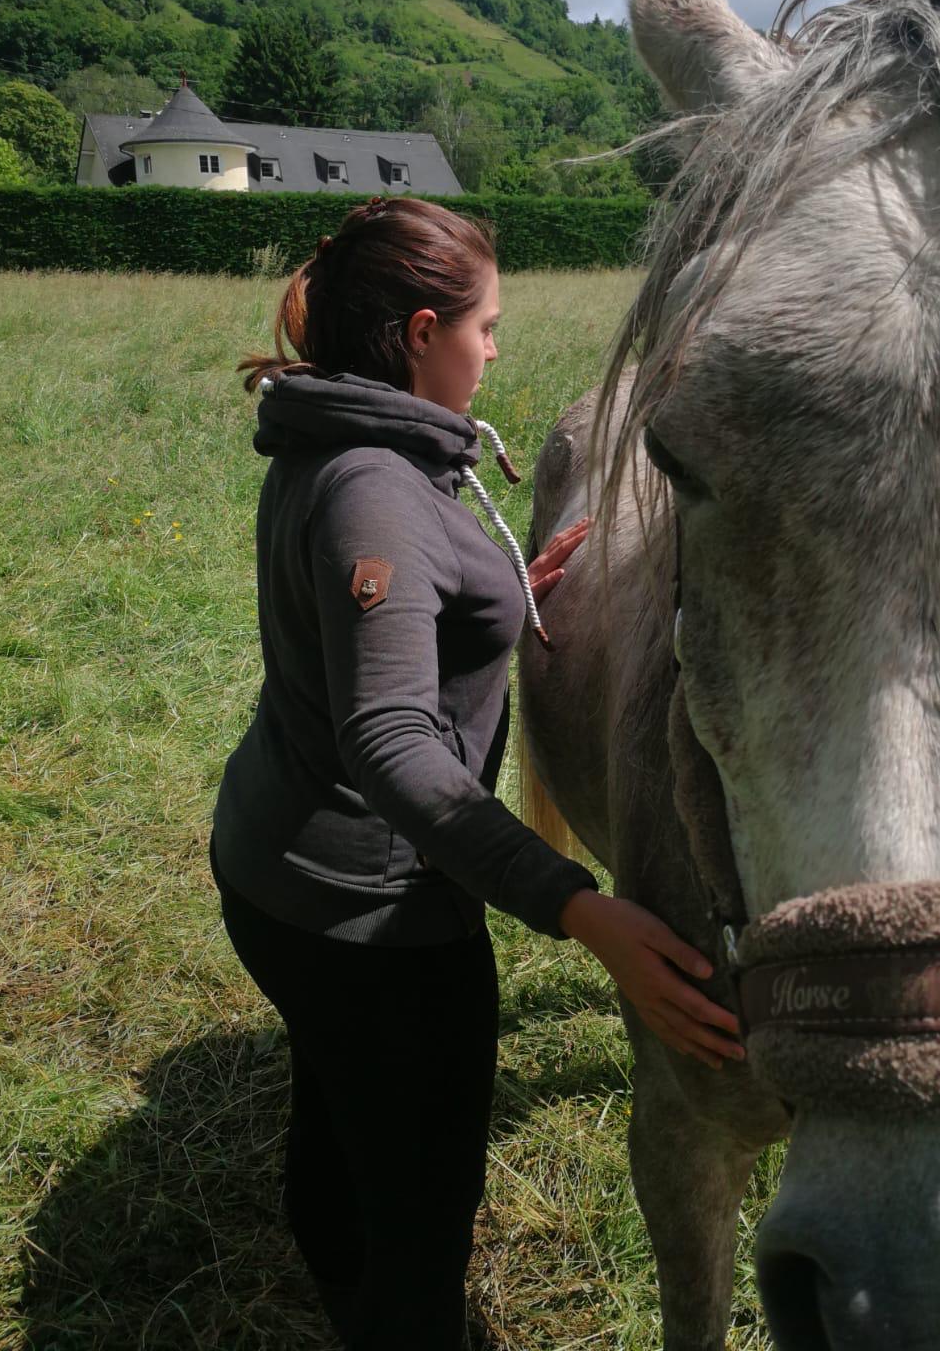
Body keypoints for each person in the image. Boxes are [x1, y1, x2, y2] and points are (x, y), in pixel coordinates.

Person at [209, 195, 743, 1350]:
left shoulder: (352, 440)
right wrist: (578, 904)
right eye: (486, 326)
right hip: (367, 918)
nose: (496, 347)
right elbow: (392, 741)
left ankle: (342, 1276)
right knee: (424, 1206)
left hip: (282, 873)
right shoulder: (373, 486)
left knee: (341, 1109)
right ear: (417, 332)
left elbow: (394, 601)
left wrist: (508, 591)